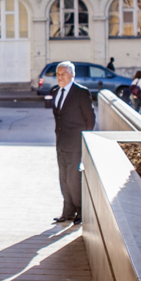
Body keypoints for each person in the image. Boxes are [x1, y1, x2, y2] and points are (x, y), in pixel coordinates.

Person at [50, 61, 95, 224]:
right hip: (61, 143)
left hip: (76, 143)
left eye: (64, 74)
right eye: (58, 74)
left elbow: (90, 119)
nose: (60, 77)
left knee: (73, 179)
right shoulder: (56, 92)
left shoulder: (81, 92)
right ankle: (68, 212)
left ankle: (81, 211)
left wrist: (85, 140)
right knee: (63, 178)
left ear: (72, 75)